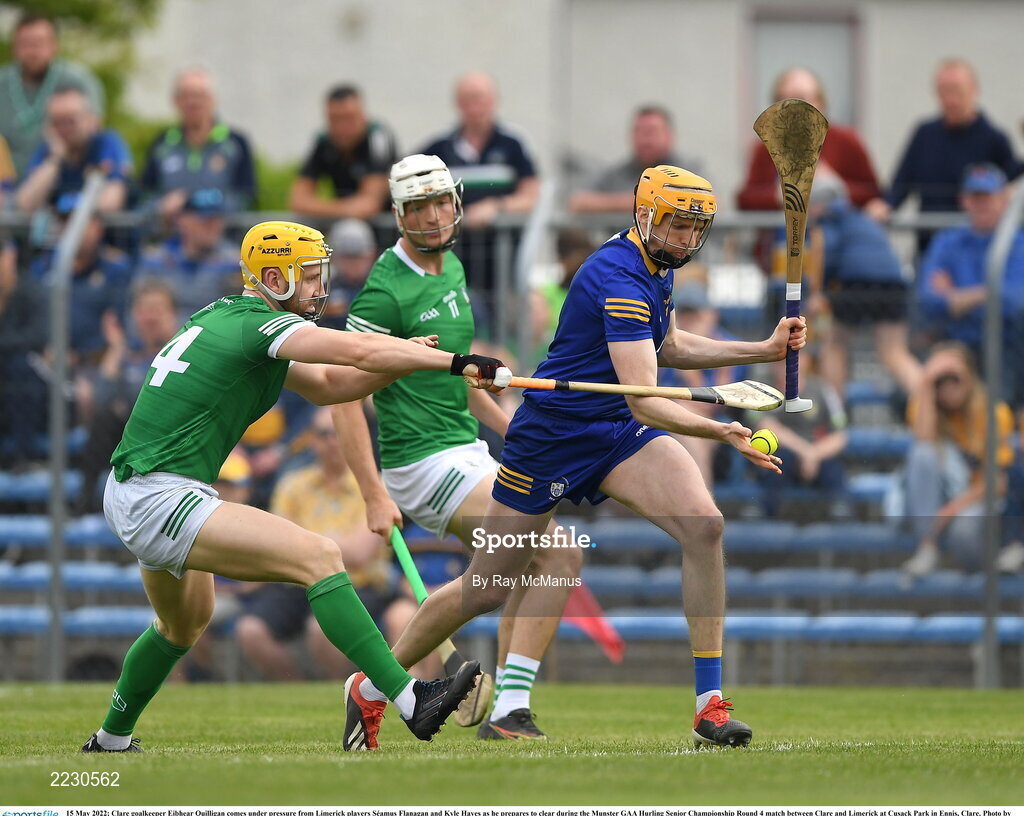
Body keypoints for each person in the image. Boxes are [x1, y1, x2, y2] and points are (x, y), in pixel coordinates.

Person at [348, 165, 808, 750]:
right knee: (488, 586)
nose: (686, 240)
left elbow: (669, 344)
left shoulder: (653, 266)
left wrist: (761, 349)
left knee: (705, 526)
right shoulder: (618, 277)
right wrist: (723, 431)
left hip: (611, 430)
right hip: (552, 440)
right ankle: (371, 685)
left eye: (696, 229)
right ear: (644, 217)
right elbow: (646, 400)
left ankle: (709, 707)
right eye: (676, 226)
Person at [79, 219, 506, 753]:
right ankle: (410, 698)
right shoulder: (259, 325)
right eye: (306, 276)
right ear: (272, 277)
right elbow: (359, 353)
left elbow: (333, 385)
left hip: (145, 491)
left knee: (181, 625)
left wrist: (406, 362)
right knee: (321, 557)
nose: (318, 287)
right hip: (158, 494)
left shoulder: (236, 320)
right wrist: (455, 362)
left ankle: (110, 739)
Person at [335, 155, 581, 748]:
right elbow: (342, 396)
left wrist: (511, 428)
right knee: (528, 558)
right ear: (398, 214)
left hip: (464, 448)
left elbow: (458, 378)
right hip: (419, 463)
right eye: (418, 206)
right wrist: (371, 493)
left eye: (441, 201)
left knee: (556, 556)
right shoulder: (384, 291)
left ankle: (503, 707)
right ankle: (375, 688)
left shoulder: (452, 271)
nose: (434, 215)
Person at [234, 408, 433, 682]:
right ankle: (296, 688)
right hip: (299, 583)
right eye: (324, 434)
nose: (332, 441)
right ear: (312, 440)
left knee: (323, 630)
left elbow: (361, 554)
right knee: (250, 630)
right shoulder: (293, 484)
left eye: (339, 434)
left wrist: (306, 539)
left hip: (358, 584)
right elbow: (280, 547)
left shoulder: (376, 486)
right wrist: (334, 541)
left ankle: (339, 689)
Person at [865, 59, 1021, 239]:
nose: (950, 100)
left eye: (957, 91)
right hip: (930, 245)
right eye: (944, 92)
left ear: (974, 91)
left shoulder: (995, 139)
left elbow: (1009, 189)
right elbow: (901, 185)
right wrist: (884, 205)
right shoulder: (924, 135)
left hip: (976, 246)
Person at [419, 72, 538, 300]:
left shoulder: (513, 144)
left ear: (494, 101)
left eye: (481, 99)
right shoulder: (439, 146)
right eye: (468, 100)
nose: (475, 108)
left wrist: (496, 207)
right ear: (458, 105)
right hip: (451, 259)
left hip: (504, 262)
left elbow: (531, 196)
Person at [898, 343, 1014, 577]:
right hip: (934, 497)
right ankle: (927, 546)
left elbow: (998, 482)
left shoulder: (994, 412)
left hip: (978, 498)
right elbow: (923, 446)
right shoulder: (924, 406)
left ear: (970, 377)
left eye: (955, 378)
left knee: (963, 532)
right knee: (922, 454)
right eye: (941, 380)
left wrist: (950, 510)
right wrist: (927, 383)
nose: (948, 387)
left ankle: (985, 590)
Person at [804, 173, 921, 397]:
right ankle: (929, 406)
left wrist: (821, 293)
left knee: (835, 345)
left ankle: (834, 410)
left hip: (855, 284)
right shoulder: (861, 219)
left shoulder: (827, 222)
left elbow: (827, 254)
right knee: (894, 353)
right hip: (894, 286)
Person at [917, 163, 1024, 402]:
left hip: (1005, 347)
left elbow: (1015, 302)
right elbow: (928, 299)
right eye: (975, 197)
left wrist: (956, 296)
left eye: (988, 197)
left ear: (1004, 200)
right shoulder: (947, 241)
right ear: (964, 201)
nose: (981, 204)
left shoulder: (1017, 242)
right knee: (911, 392)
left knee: (999, 400)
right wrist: (987, 293)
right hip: (954, 343)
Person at [77, 277, 181, 513]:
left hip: (165, 442)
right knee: (103, 417)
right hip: (125, 440)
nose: (150, 318)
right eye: (144, 310)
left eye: (157, 310)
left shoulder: (184, 354)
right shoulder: (128, 356)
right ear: (134, 315)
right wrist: (115, 348)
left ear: (172, 314)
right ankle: (87, 498)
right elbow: (101, 400)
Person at [738, 67, 881, 211]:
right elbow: (745, 199)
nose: (793, 108)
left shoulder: (846, 140)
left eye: (801, 98)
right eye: (784, 101)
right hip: (784, 228)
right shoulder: (765, 147)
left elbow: (874, 193)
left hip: (840, 226)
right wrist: (782, 193)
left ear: (820, 102)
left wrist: (835, 186)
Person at [140, 68, 257, 225]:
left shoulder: (236, 143)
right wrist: (160, 207)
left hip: (224, 244)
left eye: (199, 95)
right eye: (186, 95)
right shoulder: (162, 144)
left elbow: (244, 200)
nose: (193, 102)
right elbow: (142, 198)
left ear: (213, 99)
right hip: (168, 243)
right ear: (175, 101)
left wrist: (189, 201)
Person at [0, 12, 104, 177]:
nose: (33, 51)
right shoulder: (3, 82)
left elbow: (94, 132)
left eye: (40, 43)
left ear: (54, 45)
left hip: (61, 178)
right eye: (26, 44)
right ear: (14, 46)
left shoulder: (79, 80)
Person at [15, 85, 132, 214]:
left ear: (90, 119)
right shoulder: (47, 151)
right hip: (61, 233)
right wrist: (55, 159)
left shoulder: (107, 143)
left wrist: (67, 210)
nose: (64, 128)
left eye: (71, 121)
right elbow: (25, 203)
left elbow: (111, 202)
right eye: (56, 122)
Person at [288, 85, 398, 221]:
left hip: (387, 227)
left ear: (362, 114)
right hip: (343, 221)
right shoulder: (323, 142)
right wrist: (347, 209)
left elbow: (369, 204)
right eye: (335, 120)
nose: (342, 127)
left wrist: (319, 207)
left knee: (351, 232)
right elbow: (298, 201)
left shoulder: (378, 137)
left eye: (349, 118)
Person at [569, 105, 704, 213]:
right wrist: (649, 201)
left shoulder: (689, 169)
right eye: (639, 131)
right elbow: (578, 202)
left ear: (670, 136)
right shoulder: (618, 173)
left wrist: (617, 204)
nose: (645, 139)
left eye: (652, 132)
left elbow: (709, 202)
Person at [133, 187, 240, 322]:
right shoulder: (157, 260)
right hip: (166, 339)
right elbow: (136, 311)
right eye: (205, 221)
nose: (214, 226)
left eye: (217, 219)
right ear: (183, 221)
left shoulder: (234, 262)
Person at [320, 217, 378, 330]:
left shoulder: (380, 287)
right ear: (334, 258)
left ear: (371, 256)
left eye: (357, 258)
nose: (352, 265)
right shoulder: (322, 288)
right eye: (346, 258)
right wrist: (325, 310)